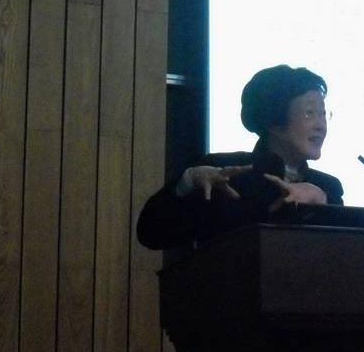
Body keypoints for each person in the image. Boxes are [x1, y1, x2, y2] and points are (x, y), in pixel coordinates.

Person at [136, 64, 344, 250]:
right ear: (275, 120)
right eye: (310, 113)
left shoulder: (327, 187)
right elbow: (151, 234)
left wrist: (322, 201)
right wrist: (187, 182)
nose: (321, 125)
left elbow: (348, 254)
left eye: (323, 114)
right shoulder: (221, 173)